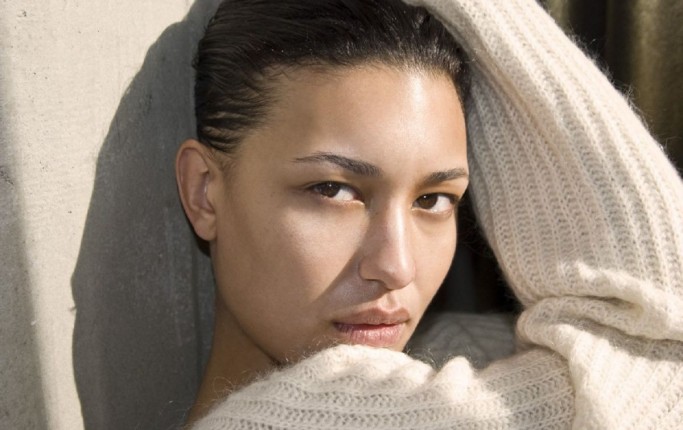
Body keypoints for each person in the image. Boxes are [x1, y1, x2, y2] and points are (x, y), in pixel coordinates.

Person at [177, 0, 683, 428]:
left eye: (433, 199)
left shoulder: (466, 349)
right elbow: (659, 344)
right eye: (333, 190)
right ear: (203, 193)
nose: (397, 267)